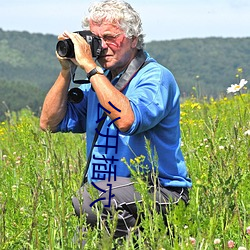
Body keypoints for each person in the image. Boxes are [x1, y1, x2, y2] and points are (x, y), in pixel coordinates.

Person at [40, 0, 192, 245]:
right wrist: (66, 70)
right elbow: (49, 123)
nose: (102, 47)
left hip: (161, 191)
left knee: (89, 199)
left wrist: (90, 68)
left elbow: (127, 121)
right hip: (110, 198)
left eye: (110, 37)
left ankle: (148, 239)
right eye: (96, 39)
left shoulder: (154, 77)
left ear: (133, 39)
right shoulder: (98, 83)